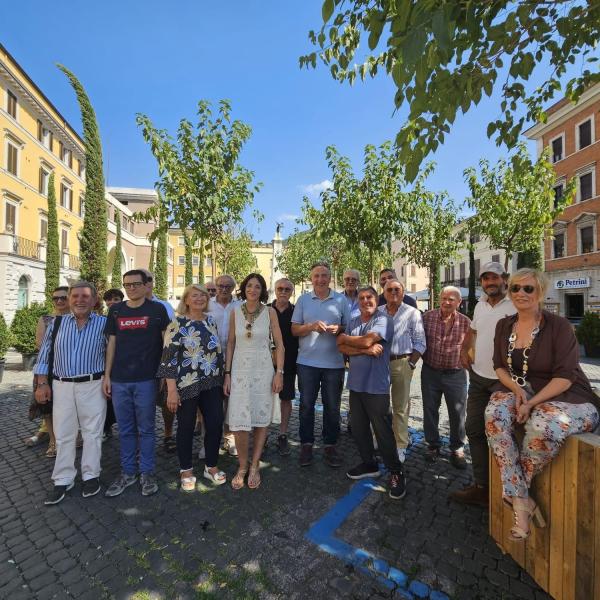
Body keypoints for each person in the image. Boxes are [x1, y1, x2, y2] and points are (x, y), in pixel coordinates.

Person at [485, 268, 599, 540]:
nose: (521, 294)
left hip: (566, 394)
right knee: (493, 414)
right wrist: (516, 391)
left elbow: (566, 376)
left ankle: (516, 497)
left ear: (541, 292)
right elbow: (499, 367)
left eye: (528, 288)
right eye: (515, 288)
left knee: (544, 423)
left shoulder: (559, 326)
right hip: (520, 388)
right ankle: (523, 499)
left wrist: (530, 402)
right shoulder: (504, 325)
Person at [34, 281, 108, 505]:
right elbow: (44, 355)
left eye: (85, 296)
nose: (79, 300)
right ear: (69, 300)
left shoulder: (105, 324)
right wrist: (41, 384)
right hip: (62, 385)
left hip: (94, 384)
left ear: (94, 300)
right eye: (75, 296)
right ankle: (63, 478)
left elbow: (113, 355)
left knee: (92, 433)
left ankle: (90, 475)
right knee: (64, 433)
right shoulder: (56, 324)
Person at [451, 262, 516, 506]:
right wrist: (463, 349)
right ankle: (482, 487)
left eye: (494, 278)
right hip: (478, 379)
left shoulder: (515, 303)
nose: (490, 283)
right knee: (474, 429)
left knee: (502, 433)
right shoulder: (479, 304)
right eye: (486, 279)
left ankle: (507, 490)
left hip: (505, 382)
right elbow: (473, 330)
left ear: (504, 280)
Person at [103, 269, 171, 497]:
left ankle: (147, 472)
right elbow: (111, 344)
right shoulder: (116, 311)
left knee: (147, 429)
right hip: (120, 380)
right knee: (125, 429)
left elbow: (166, 345)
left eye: (135, 284)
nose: (131, 288)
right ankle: (128, 472)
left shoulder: (158, 310)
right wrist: (107, 375)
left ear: (145, 285)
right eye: (127, 285)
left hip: (147, 380)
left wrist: (165, 375)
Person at [337, 286, 406, 499]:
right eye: (362, 298)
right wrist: (365, 349)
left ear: (377, 299)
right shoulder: (354, 321)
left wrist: (351, 341)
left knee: (383, 431)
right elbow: (340, 345)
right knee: (358, 428)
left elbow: (363, 339)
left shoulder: (384, 320)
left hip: (376, 386)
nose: (366, 300)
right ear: (357, 301)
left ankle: (396, 472)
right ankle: (369, 463)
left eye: (370, 297)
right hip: (356, 385)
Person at [158, 284, 226, 490]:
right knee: (186, 426)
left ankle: (211, 466)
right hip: (186, 383)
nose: (199, 299)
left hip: (212, 382)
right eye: (194, 296)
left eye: (202, 296)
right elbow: (168, 359)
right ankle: (185, 469)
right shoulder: (177, 323)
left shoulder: (211, 321)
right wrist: (171, 390)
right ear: (186, 300)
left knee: (215, 423)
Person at [224, 273, 284, 489]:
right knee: (239, 420)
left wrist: (280, 372)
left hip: (264, 369)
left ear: (262, 290)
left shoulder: (270, 312)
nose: (252, 289)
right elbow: (230, 343)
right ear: (243, 288)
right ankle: (242, 465)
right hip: (240, 370)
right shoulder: (234, 312)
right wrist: (227, 373)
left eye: (257, 286)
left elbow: (280, 344)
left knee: (260, 418)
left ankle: (255, 464)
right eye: (249, 285)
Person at [291, 261, 350, 468]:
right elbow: (294, 330)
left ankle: (330, 445)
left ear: (330, 277)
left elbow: (349, 327)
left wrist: (339, 328)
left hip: (334, 363)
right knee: (306, 405)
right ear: (311, 278)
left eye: (324, 275)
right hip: (307, 362)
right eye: (316, 275)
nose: (320, 279)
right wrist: (311, 326)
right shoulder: (303, 300)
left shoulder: (341, 300)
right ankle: (306, 444)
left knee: (332, 407)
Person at [421, 286, 471, 468]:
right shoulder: (427, 318)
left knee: (458, 412)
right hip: (430, 372)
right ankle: (432, 445)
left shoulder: (467, 323)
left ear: (459, 302)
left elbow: (471, 349)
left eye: (451, 299)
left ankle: (457, 448)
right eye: (443, 298)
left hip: (455, 374)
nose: (446, 302)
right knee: (429, 409)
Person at [378, 279, 426, 462]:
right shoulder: (378, 312)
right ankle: (379, 440)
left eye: (397, 289)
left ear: (403, 292)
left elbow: (421, 342)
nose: (393, 292)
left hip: (402, 362)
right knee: (379, 405)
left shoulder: (412, 313)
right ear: (383, 293)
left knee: (400, 407)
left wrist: (411, 364)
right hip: (379, 363)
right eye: (389, 289)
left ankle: (400, 445)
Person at [25, 286, 71, 457]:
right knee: (48, 407)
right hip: (48, 369)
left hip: (70, 370)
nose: (59, 301)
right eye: (56, 298)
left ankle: (72, 437)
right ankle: (53, 440)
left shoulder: (79, 318)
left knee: (69, 406)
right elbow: (40, 344)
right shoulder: (46, 319)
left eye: (63, 298)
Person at [137, 269, 177, 452]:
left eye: (149, 279)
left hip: (161, 360)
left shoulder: (165, 306)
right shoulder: (127, 306)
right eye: (142, 280)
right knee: (141, 405)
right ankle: (143, 439)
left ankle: (168, 434)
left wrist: (167, 364)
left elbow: (171, 336)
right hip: (138, 364)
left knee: (166, 402)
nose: (146, 282)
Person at [208, 274, 240, 457]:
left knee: (231, 400)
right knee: (210, 401)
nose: (224, 289)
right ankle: (209, 439)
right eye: (221, 285)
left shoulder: (239, 306)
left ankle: (230, 438)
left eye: (228, 286)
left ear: (233, 288)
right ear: (216, 286)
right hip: (210, 359)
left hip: (235, 358)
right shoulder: (207, 305)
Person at [270, 278, 299, 455]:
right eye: (280, 288)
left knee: (286, 398)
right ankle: (262, 433)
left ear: (292, 292)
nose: (283, 291)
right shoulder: (264, 310)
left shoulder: (296, 312)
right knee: (264, 398)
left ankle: (282, 434)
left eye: (287, 289)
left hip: (289, 362)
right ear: (275, 290)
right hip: (265, 362)